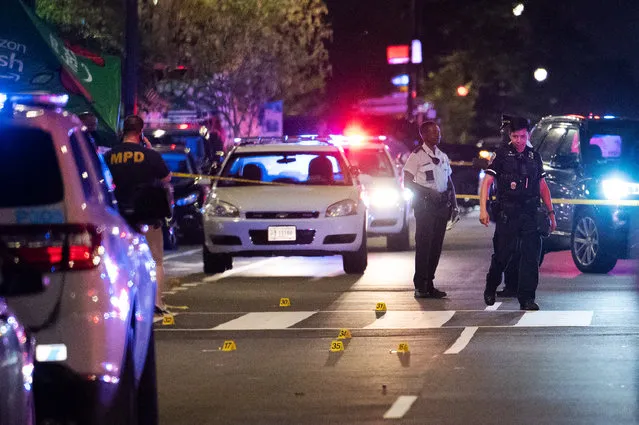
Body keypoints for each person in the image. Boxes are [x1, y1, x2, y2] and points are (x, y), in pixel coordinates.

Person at [479, 116, 556, 310]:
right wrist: (483, 209)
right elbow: (487, 183)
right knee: (503, 255)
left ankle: (527, 299)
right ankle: (491, 286)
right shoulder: (502, 155)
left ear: (528, 135)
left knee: (531, 257)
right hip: (509, 213)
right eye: (515, 136)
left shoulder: (534, 156)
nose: (519, 140)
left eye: (522, 136)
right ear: (510, 135)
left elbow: (542, 186)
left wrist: (551, 213)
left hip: (530, 213)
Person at [106, 115, 172, 315]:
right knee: (156, 259)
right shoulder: (149, 155)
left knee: (119, 260)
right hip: (148, 214)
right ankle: (157, 302)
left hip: (118, 217)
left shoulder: (109, 156)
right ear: (141, 132)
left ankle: (122, 304)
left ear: (122, 132)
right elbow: (166, 178)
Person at [403, 121, 459, 298]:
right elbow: (407, 182)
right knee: (424, 246)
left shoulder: (442, 156)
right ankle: (420, 285)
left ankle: (430, 283)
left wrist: (455, 204)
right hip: (425, 206)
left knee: (436, 246)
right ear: (424, 135)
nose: (437, 135)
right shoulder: (417, 156)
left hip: (441, 206)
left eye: (438, 132)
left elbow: (449, 181)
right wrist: (429, 192)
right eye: (433, 132)